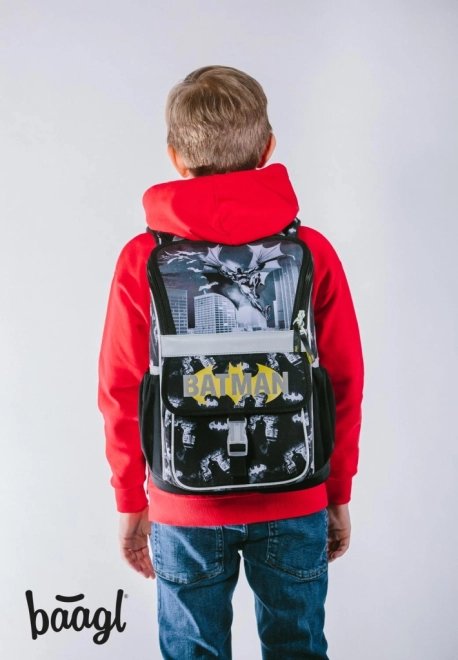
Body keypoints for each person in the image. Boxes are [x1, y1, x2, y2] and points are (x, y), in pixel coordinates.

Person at [98, 65, 364, 660]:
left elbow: (119, 388)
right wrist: (337, 489)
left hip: (184, 501)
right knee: (298, 648)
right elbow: (344, 379)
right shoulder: (311, 251)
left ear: (175, 157)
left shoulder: (143, 258)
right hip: (296, 491)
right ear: (268, 149)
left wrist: (131, 500)